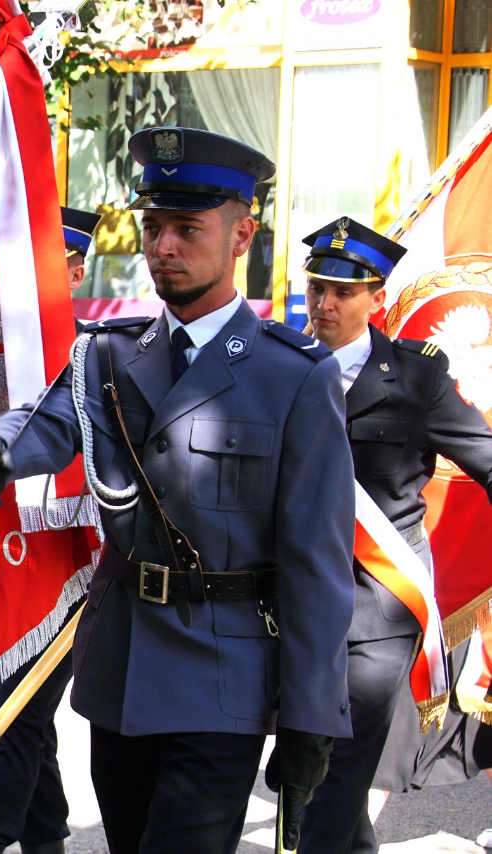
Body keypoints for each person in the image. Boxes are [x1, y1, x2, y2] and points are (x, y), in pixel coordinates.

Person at [0, 126, 357, 854]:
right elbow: (44, 423)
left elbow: (317, 566)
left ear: (241, 236)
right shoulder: (107, 354)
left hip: (225, 676)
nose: (163, 246)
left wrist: (311, 716)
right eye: (153, 227)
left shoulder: (295, 375)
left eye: (186, 229)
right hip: (125, 668)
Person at [296, 216, 492, 854]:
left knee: (345, 764)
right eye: (316, 288)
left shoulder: (417, 377)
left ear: (377, 299)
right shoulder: (279, 365)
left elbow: (486, 458)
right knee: (310, 761)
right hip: (291, 595)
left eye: (342, 292)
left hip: (379, 599)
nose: (325, 304)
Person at [0, 204, 102, 854]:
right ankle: (46, 845)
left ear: (75, 270)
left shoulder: (96, 356)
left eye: (50, 265)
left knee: (14, 720)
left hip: (66, 576)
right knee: (27, 725)